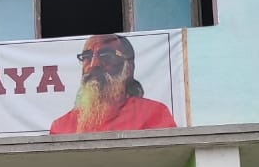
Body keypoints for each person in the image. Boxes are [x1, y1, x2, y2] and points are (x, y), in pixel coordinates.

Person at [48, 34, 176, 135]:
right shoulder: (61, 127)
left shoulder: (153, 114)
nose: (94, 64)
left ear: (128, 68)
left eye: (106, 56)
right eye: (87, 56)